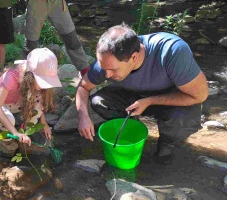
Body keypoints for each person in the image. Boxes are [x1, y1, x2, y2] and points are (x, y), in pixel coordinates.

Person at [76, 23, 209, 164]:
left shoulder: (172, 52)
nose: (107, 74)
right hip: (134, 97)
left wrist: (150, 100)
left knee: (181, 122)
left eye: (113, 70)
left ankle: (167, 142)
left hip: (172, 100)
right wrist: (83, 116)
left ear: (134, 57)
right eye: (104, 68)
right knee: (99, 101)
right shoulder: (109, 60)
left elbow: (200, 95)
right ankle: (132, 131)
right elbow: (83, 87)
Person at [0, 48, 62, 157]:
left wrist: (44, 123)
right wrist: (15, 133)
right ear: (30, 75)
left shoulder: (33, 80)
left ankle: (27, 130)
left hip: (17, 104)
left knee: (40, 96)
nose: (44, 85)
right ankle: (4, 131)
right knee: (9, 121)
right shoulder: (11, 77)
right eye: (42, 81)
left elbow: (40, 102)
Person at [23, 0, 90, 76]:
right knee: (31, 43)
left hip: (57, 3)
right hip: (36, 3)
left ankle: (86, 73)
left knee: (71, 38)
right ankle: (29, 78)